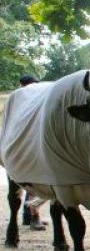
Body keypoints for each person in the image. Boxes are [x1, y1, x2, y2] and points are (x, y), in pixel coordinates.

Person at [18, 74, 46, 231]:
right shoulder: (22, 101)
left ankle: (28, 216)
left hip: (25, 147)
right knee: (34, 183)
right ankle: (34, 217)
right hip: (26, 148)